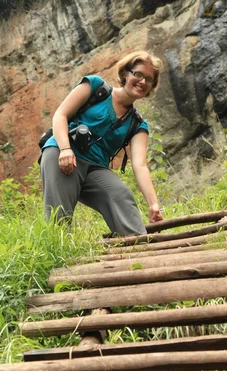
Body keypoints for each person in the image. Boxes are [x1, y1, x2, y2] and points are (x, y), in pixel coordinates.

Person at [40, 51, 164, 236]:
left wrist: (153, 203)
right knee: (59, 215)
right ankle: (56, 255)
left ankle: (140, 247)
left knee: (120, 195)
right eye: (138, 74)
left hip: (96, 168)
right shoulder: (95, 87)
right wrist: (65, 149)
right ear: (125, 74)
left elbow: (140, 165)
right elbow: (60, 115)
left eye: (149, 79)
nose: (143, 82)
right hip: (63, 154)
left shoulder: (137, 124)